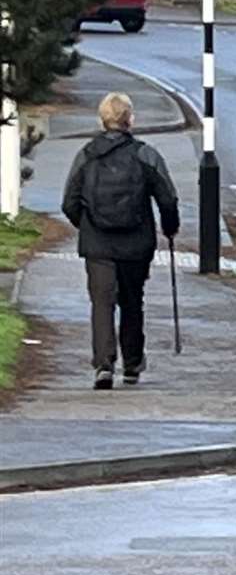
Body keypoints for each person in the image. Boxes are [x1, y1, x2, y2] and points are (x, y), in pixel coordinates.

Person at [60, 93, 180, 390]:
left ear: (102, 119)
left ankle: (103, 365)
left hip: (97, 244)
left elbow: (69, 202)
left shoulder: (86, 155)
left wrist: (86, 225)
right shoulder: (145, 155)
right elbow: (167, 197)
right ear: (131, 119)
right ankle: (132, 363)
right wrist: (170, 228)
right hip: (136, 242)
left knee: (101, 303)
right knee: (131, 301)